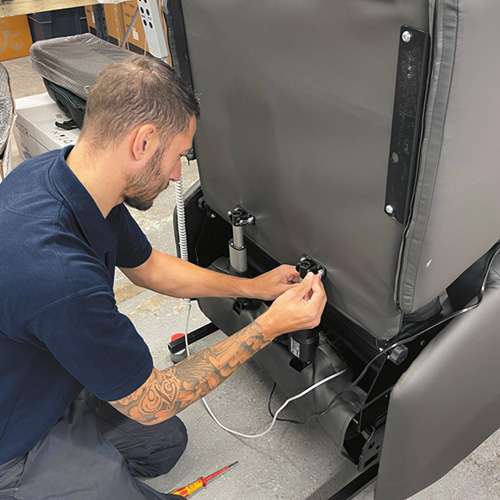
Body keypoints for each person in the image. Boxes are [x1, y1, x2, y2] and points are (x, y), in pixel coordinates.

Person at [0, 55, 326, 500]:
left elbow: (149, 266)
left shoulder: (68, 177)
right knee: (151, 417)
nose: (177, 173)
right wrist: (271, 325)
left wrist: (253, 287)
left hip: (44, 377)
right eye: (177, 156)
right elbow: (153, 401)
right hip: (11, 443)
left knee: (163, 445)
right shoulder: (58, 275)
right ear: (143, 141)